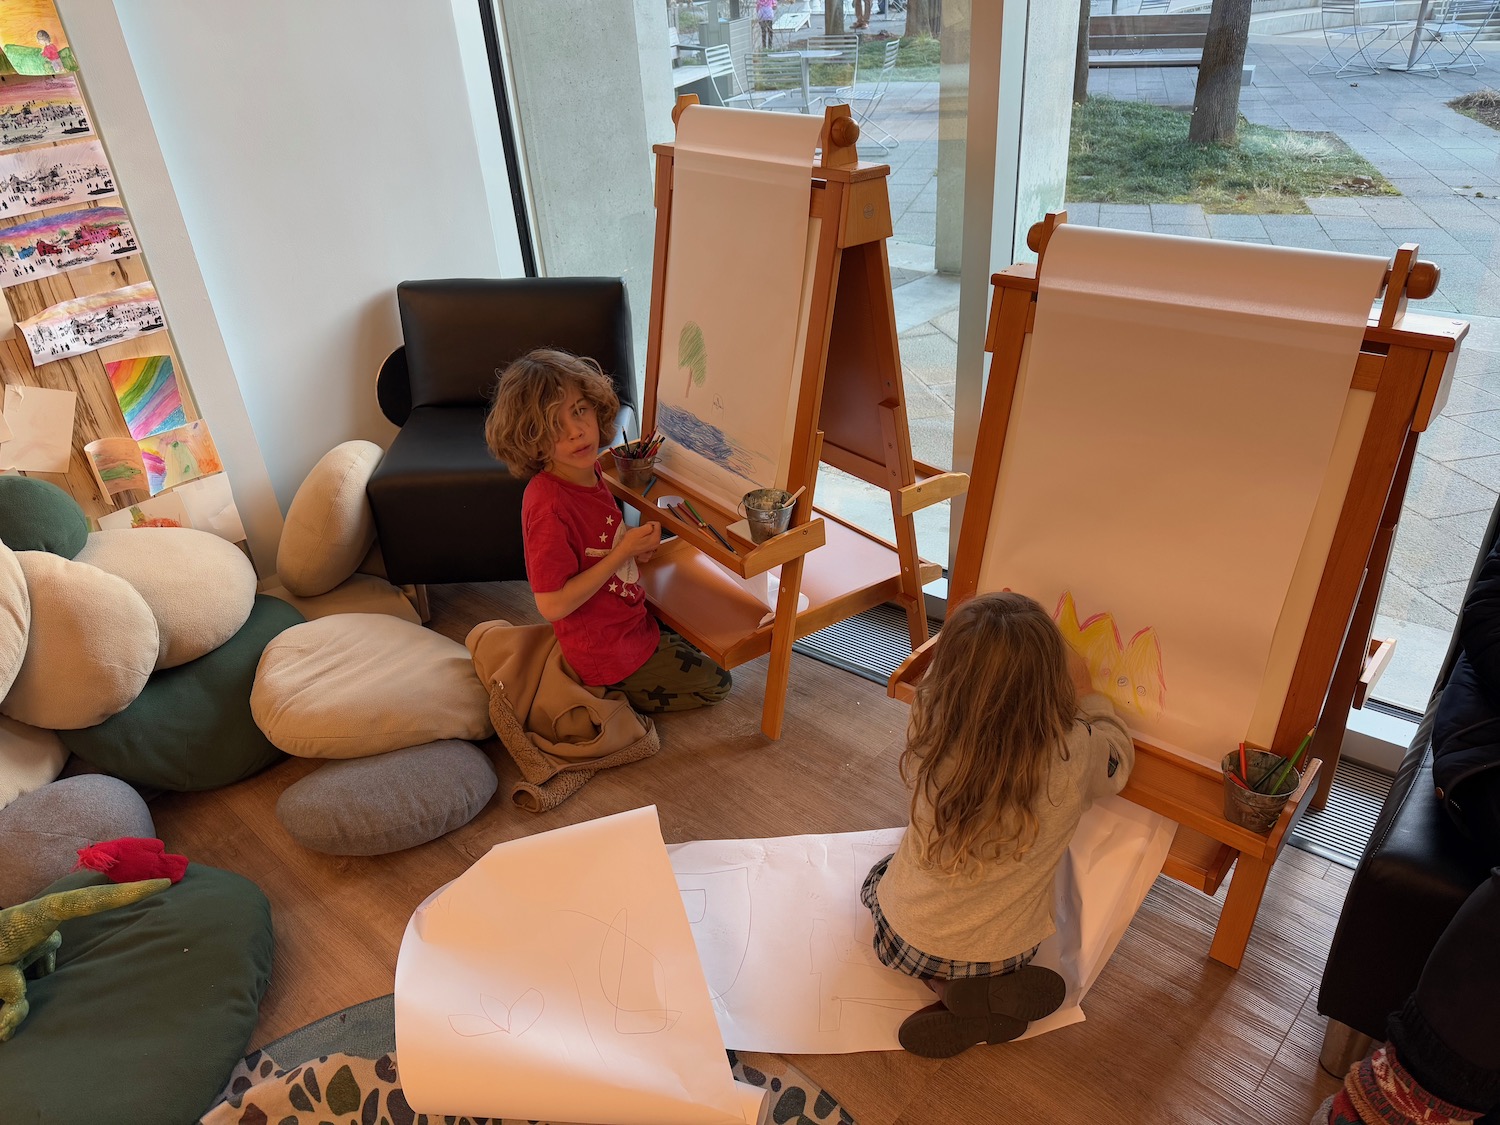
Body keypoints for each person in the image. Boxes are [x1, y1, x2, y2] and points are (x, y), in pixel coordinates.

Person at [860, 590, 1135, 1058]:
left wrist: (986, 625)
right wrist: (1088, 692)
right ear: (1052, 683)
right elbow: (1119, 757)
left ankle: (946, 991)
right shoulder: (1074, 755)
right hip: (1006, 951)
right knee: (988, 928)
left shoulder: (930, 720)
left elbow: (945, 681)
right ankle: (982, 990)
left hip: (908, 938)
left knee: (879, 879)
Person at [485, 348, 732, 714]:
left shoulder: (589, 470)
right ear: (531, 439)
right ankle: (607, 691)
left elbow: (596, 549)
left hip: (626, 620)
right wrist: (621, 553)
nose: (577, 432)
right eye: (555, 426)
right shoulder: (548, 507)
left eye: (579, 410)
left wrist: (633, 550)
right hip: (605, 651)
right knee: (719, 684)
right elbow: (551, 605)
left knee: (706, 633)